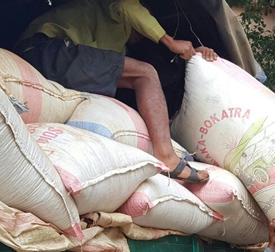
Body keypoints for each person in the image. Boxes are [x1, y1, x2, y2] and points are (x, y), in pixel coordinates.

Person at [16, 0, 216, 183]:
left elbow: (121, 81)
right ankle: (166, 156)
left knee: (138, 77)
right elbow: (126, 5)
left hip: (51, 57)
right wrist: (170, 41)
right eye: (141, 29)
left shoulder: (114, 48)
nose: (139, 36)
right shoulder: (112, 9)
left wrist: (193, 56)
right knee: (145, 73)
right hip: (44, 48)